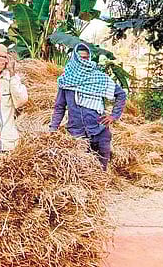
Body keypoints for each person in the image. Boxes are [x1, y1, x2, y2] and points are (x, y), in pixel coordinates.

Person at [49, 43, 127, 171]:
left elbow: (121, 95)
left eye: (86, 58)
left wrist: (113, 116)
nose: (83, 61)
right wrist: (53, 127)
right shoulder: (66, 80)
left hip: (99, 130)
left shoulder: (99, 78)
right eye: (80, 58)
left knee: (101, 170)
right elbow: (60, 107)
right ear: (74, 58)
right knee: (82, 170)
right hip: (76, 134)